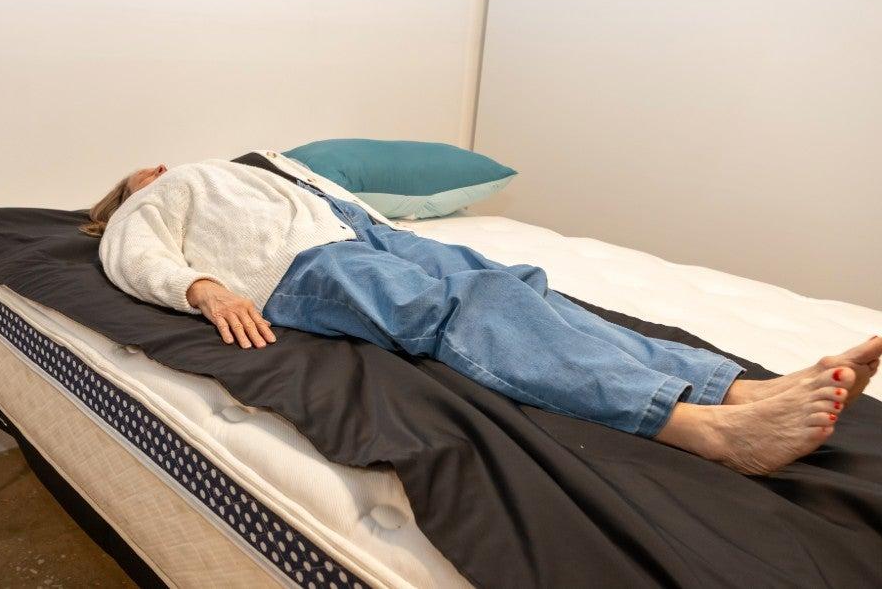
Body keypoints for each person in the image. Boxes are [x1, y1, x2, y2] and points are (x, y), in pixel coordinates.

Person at [83, 153, 881, 476]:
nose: (154, 161)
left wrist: (371, 222)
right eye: (138, 171)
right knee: (459, 310)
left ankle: (732, 389)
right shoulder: (153, 197)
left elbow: (334, 192)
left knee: (518, 285)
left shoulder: (253, 165)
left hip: (359, 231)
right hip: (298, 269)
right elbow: (132, 257)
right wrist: (205, 289)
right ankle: (690, 425)